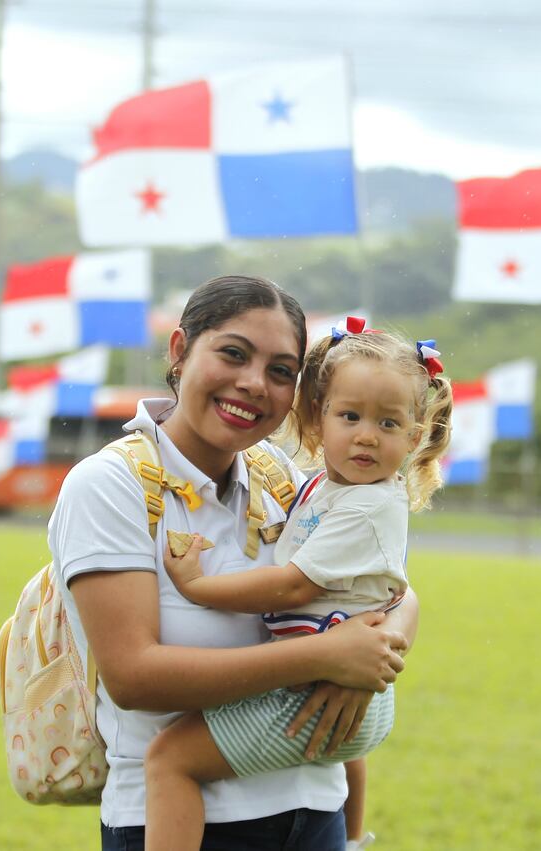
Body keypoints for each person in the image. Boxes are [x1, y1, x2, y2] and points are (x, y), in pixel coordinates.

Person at [48, 276, 419, 851]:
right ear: (179, 351)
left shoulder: (283, 477)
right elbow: (134, 677)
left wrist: (375, 654)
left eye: (279, 371)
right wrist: (326, 655)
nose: (252, 384)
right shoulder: (110, 484)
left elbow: (388, 587)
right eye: (233, 354)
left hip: (314, 810)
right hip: (193, 828)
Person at [143, 322, 453, 851]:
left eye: (388, 423)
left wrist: (199, 586)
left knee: (171, 759)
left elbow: (290, 588)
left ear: (415, 436)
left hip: (313, 687)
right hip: (341, 678)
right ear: (318, 416)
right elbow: (393, 593)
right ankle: (352, 839)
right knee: (343, 745)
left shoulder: (368, 504)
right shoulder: (320, 484)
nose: (366, 435)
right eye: (349, 416)